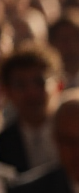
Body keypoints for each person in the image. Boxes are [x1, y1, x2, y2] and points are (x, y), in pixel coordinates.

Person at [0, 43, 61, 173]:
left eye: (40, 82)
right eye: (20, 85)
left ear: (58, 85)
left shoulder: (77, 137)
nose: (31, 93)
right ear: (7, 92)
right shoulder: (3, 144)